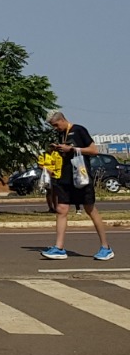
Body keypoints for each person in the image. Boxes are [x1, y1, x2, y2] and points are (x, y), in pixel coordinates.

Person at [41, 110, 114, 261]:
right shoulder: (61, 134)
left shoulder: (79, 130)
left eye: (55, 125)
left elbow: (94, 150)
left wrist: (73, 149)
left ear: (62, 120)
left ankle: (105, 247)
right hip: (65, 176)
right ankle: (59, 248)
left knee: (90, 209)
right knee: (61, 209)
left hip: (81, 176)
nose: (55, 128)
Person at [38, 149, 63, 214]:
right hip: (48, 176)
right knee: (49, 191)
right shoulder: (43, 155)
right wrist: (47, 169)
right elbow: (40, 165)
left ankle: (56, 207)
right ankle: (51, 208)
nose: (51, 148)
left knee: (56, 192)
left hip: (57, 175)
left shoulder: (57, 153)